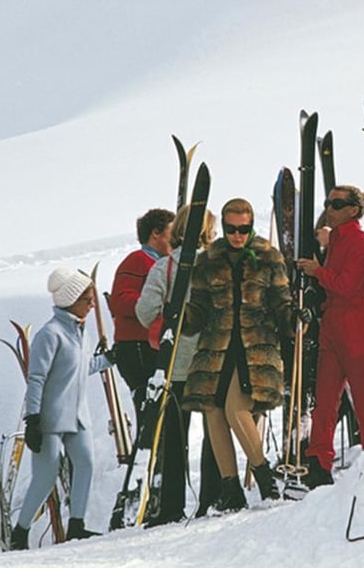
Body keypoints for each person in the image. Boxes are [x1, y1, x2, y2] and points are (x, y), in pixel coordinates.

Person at [182, 198, 291, 511]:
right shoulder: (208, 260)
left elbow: (281, 301)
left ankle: (265, 477)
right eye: (231, 229)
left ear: (251, 226)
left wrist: (293, 320)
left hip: (255, 346)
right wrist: (183, 317)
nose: (237, 235)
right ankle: (231, 489)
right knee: (213, 410)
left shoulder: (268, 256)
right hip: (217, 346)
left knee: (235, 409)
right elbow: (199, 310)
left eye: (243, 229)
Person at [10, 269, 114, 549]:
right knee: (45, 477)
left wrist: (110, 359)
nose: (93, 305)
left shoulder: (81, 333)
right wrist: (32, 418)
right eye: (87, 299)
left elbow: (81, 369)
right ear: (71, 299)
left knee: (86, 464)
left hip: (78, 417)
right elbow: (37, 378)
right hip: (50, 419)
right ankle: (19, 531)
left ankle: (77, 525)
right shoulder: (50, 334)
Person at [296, 186, 364, 489]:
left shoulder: (359, 242)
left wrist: (317, 272)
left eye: (336, 204)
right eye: (328, 203)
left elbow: (347, 286)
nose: (330, 209)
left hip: (353, 322)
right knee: (325, 398)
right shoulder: (338, 239)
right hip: (335, 322)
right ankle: (319, 461)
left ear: (353, 209)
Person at [135, 207, 222, 523]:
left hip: (175, 363)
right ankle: (213, 498)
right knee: (215, 433)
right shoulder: (217, 264)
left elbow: (144, 312)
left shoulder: (164, 268)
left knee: (174, 437)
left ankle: (171, 506)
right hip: (213, 359)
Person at [109, 208, 175, 438]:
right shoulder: (138, 260)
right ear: (155, 233)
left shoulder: (164, 264)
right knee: (150, 413)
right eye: (171, 232)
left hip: (150, 345)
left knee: (161, 416)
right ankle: (149, 465)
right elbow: (119, 301)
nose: (175, 239)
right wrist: (153, 305)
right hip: (137, 347)